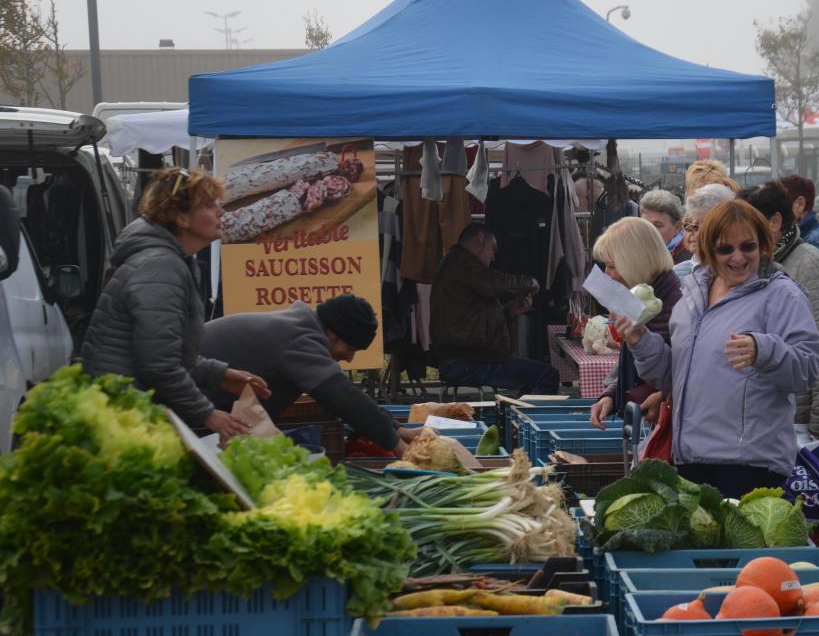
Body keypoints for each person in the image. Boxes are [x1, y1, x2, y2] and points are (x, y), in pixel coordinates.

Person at [617, 200, 819, 498]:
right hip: (690, 458)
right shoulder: (691, 295)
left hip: (750, 464)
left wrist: (763, 350)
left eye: (748, 246)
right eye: (726, 249)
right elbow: (675, 377)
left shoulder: (781, 295)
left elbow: (807, 370)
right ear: (709, 250)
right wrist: (640, 340)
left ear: (763, 246)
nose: (738, 257)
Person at [81, 168, 266, 442]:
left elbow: (165, 349)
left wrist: (219, 374)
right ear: (181, 217)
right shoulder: (161, 266)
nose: (221, 212)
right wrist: (207, 413)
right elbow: (158, 364)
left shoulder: (173, 261)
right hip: (122, 414)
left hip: (125, 407)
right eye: (209, 205)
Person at [201, 294, 415, 455]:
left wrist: (397, 429)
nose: (349, 359)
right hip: (185, 398)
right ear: (332, 333)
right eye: (351, 348)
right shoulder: (300, 339)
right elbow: (342, 397)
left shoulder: (301, 328)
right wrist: (395, 444)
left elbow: (346, 394)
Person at [739, 181, 819, 443]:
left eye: (748, 223)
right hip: (769, 418)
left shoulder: (810, 264)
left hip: (800, 424)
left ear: (774, 221)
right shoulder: (755, 266)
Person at [431, 223, 559, 395]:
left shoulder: (457, 264)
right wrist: (528, 282)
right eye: (493, 249)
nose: (493, 257)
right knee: (547, 375)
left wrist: (511, 311)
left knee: (538, 375)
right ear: (480, 239)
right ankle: (526, 420)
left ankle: (519, 417)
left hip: (466, 359)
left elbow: (476, 321)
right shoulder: (461, 263)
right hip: (466, 362)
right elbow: (495, 283)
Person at [588, 218, 684, 429]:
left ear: (634, 263)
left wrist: (665, 396)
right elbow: (634, 363)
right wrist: (611, 396)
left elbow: (682, 373)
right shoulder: (645, 297)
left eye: (612, 266)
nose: (607, 275)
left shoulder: (676, 306)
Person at [673, 183, 736, 280]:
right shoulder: (673, 276)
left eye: (706, 226)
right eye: (689, 224)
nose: (695, 232)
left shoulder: (737, 274)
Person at [638, 189, 691, 265]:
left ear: (677, 228)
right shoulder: (635, 251)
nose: (649, 231)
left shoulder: (688, 258)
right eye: (645, 224)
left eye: (657, 225)